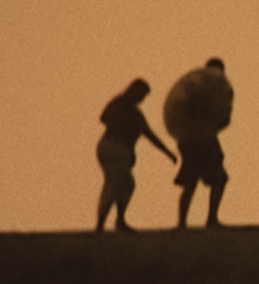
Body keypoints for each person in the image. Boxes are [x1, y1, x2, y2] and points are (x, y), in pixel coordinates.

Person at [95, 78, 177, 233]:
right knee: (113, 183)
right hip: (113, 146)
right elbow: (104, 118)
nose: (142, 98)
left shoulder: (136, 114)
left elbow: (149, 134)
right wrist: (123, 127)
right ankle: (100, 225)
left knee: (127, 184)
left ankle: (120, 220)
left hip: (119, 149)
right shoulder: (121, 104)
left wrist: (168, 153)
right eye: (142, 94)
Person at [165, 57, 233, 230]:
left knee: (190, 182)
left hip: (187, 139)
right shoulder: (212, 89)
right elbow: (224, 117)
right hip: (204, 138)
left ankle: (182, 222)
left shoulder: (190, 88)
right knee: (218, 179)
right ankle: (211, 219)